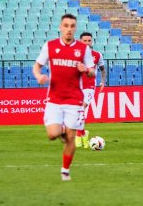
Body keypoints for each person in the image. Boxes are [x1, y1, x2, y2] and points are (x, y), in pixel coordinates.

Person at [32, 14, 95, 181]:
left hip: (74, 100)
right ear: (61, 27)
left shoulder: (83, 49)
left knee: (71, 137)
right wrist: (39, 76)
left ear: (75, 28)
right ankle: (61, 133)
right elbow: (37, 66)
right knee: (53, 134)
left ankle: (65, 171)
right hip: (54, 99)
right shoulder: (50, 46)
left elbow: (92, 71)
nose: (69, 29)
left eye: (72, 26)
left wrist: (85, 70)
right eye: (66, 25)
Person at [75, 32, 106, 149]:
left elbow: (103, 70)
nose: (87, 43)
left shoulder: (97, 55)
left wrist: (103, 81)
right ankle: (83, 134)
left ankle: (79, 137)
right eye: (85, 41)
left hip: (89, 88)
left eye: (89, 40)